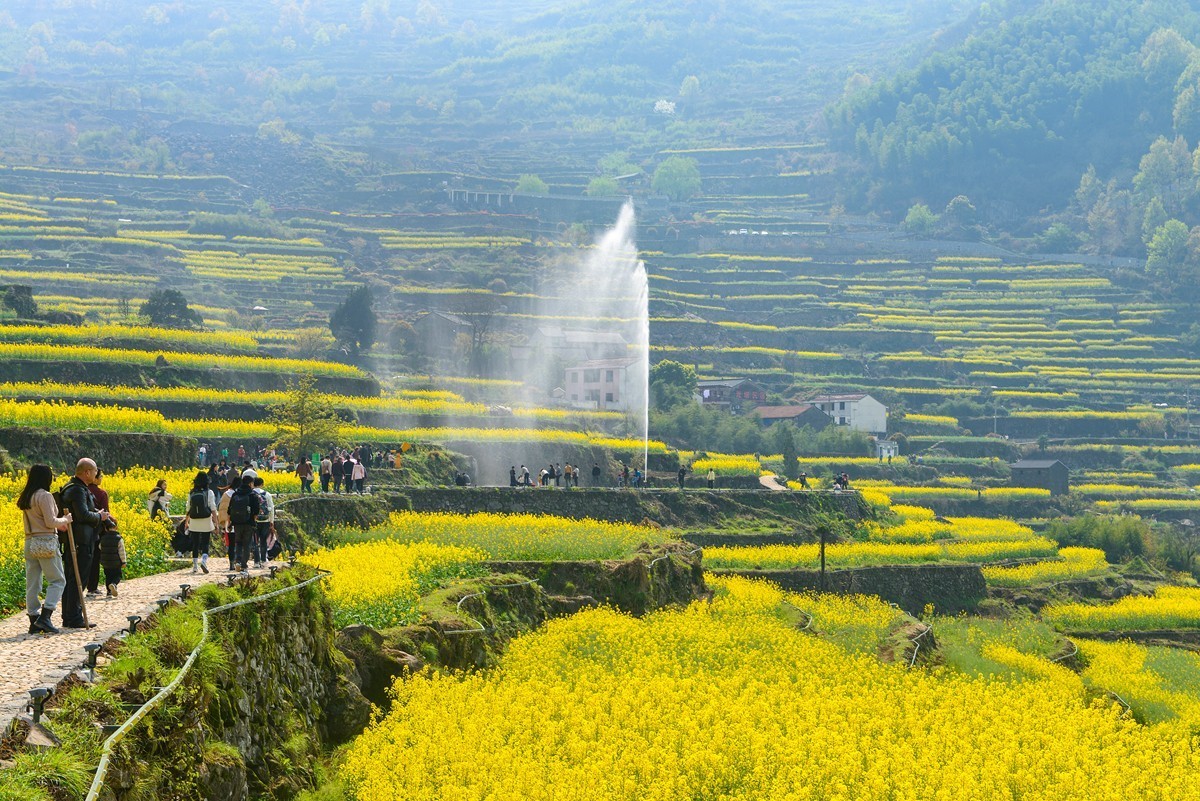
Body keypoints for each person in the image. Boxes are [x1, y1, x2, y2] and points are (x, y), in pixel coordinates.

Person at [18, 464, 70, 635]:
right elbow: (50, 522)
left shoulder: (27, 496)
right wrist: (65, 520)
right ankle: (46, 617)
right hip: (46, 542)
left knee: (33, 583)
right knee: (58, 580)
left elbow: (40, 521)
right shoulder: (45, 496)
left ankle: (33, 621)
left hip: (29, 541)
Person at [60, 458, 106, 628]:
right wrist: (99, 517)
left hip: (78, 540)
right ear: (86, 472)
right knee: (78, 580)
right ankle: (74, 617)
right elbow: (83, 515)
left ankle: (69, 615)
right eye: (94, 471)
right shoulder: (78, 490)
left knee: (72, 578)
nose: (96, 474)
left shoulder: (73, 487)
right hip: (81, 541)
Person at [85, 469, 112, 597]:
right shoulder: (101, 493)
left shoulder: (83, 490)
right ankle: (96, 587)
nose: (101, 478)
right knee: (98, 558)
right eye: (100, 476)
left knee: (87, 559)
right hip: (98, 530)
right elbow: (106, 512)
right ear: (94, 478)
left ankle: (87, 586)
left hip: (84, 531)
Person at [227, 472, 261, 572]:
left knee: (238, 543)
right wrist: (253, 520)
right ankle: (244, 565)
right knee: (247, 544)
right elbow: (256, 510)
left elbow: (230, 510)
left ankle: (237, 561)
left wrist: (230, 522)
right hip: (248, 523)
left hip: (237, 523)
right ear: (250, 483)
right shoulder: (252, 495)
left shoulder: (235, 494)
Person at [185, 471, 217, 575]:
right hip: (206, 519)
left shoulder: (192, 492)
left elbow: (188, 508)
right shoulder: (209, 492)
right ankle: (203, 561)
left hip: (194, 520)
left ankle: (194, 566)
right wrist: (216, 523)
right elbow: (213, 508)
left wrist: (186, 521)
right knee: (205, 542)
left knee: (195, 543)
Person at [97, 518, 126, 598]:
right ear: (116, 527)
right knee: (118, 575)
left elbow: (100, 547)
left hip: (106, 562)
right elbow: (121, 551)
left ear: (106, 528)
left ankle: (109, 592)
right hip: (116, 562)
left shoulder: (103, 538)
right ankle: (113, 584)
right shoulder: (118, 538)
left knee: (108, 576)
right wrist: (123, 562)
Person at [252, 475, 275, 567]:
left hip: (254, 521)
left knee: (255, 541)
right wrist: (271, 521)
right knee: (263, 541)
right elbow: (271, 508)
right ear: (262, 484)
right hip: (265, 520)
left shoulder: (251, 493)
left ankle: (256, 562)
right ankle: (263, 560)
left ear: (254, 484)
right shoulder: (267, 494)